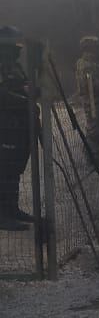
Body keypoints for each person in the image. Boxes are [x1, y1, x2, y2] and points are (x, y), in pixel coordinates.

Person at [0, 27, 35, 231]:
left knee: (14, 169)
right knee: (4, 170)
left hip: (18, 124)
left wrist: (31, 90)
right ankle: (3, 215)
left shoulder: (13, 64)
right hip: (4, 123)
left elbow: (23, 85)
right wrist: (24, 99)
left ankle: (12, 209)